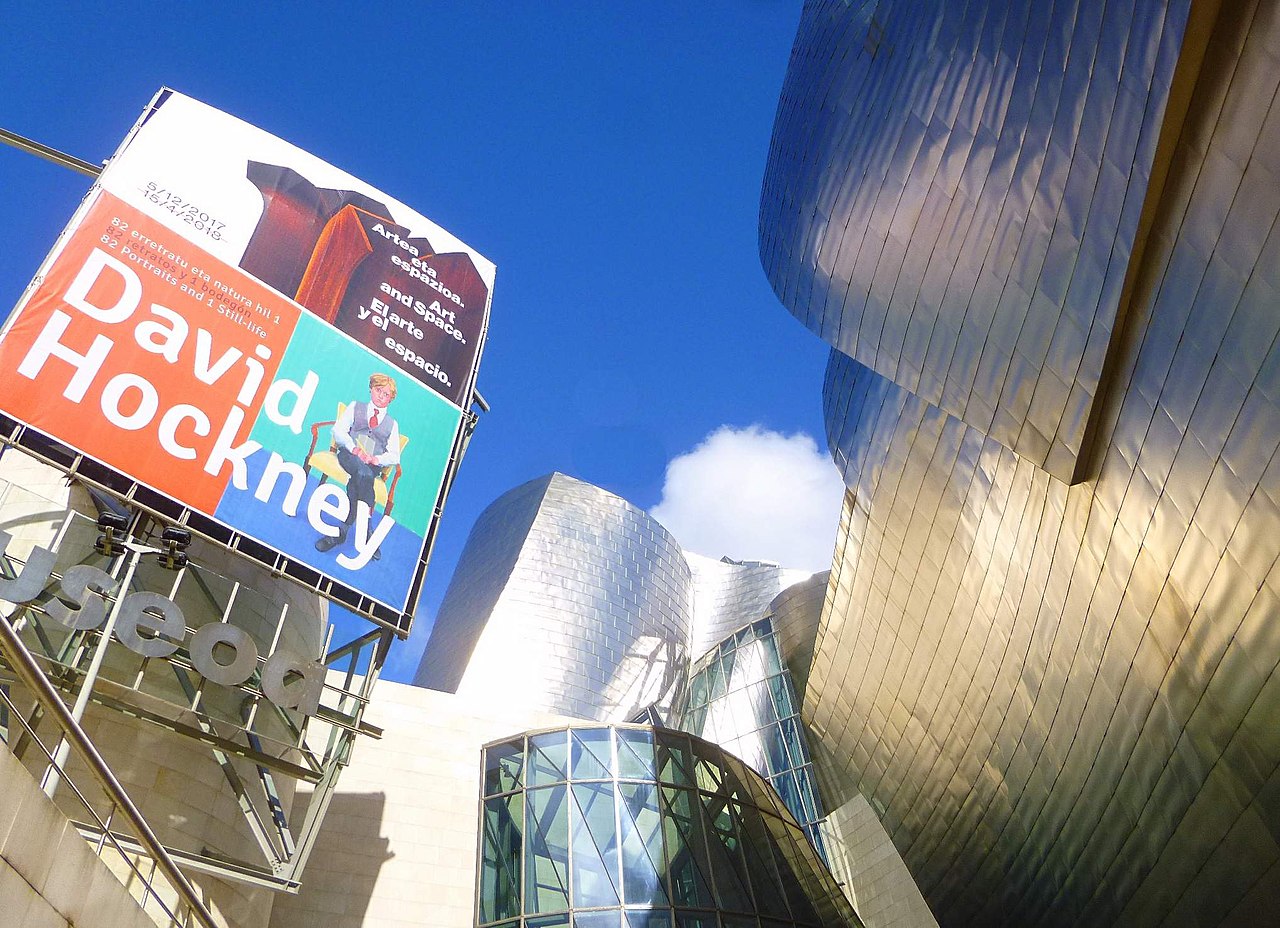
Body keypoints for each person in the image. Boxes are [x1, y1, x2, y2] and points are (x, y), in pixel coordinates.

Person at [315, 373, 400, 555]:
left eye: (386, 395)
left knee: (362, 477)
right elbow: (337, 430)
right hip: (349, 456)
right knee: (363, 475)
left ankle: (341, 532)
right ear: (371, 389)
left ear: (390, 400)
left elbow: (395, 456)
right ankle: (367, 529)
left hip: (371, 466)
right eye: (379, 391)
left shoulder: (392, 425)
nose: (381, 396)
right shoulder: (356, 407)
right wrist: (354, 449)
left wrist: (377, 459)